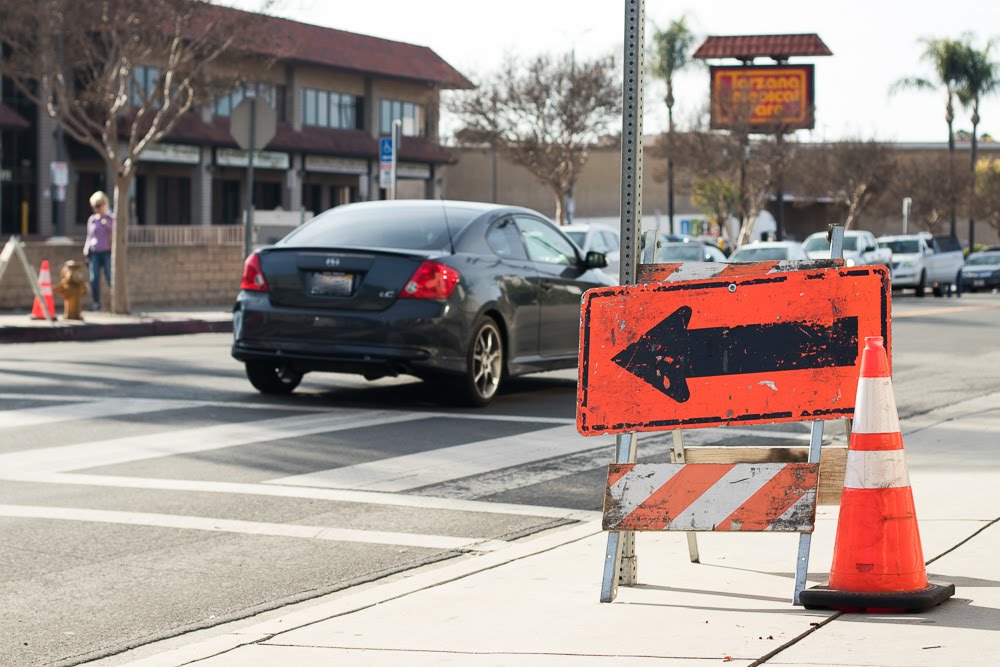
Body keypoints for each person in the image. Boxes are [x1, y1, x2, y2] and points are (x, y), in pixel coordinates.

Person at [83, 191, 113, 311]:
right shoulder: (92, 220)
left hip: (107, 251)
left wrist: (107, 225)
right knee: (94, 278)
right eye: (95, 206)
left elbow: (115, 234)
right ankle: (96, 303)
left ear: (105, 204)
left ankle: (113, 302)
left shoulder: (110, 218)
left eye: (99, 205)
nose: (97, 208)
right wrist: (86, 248)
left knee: (109, 277)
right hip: (94, 251)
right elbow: (89, 236)